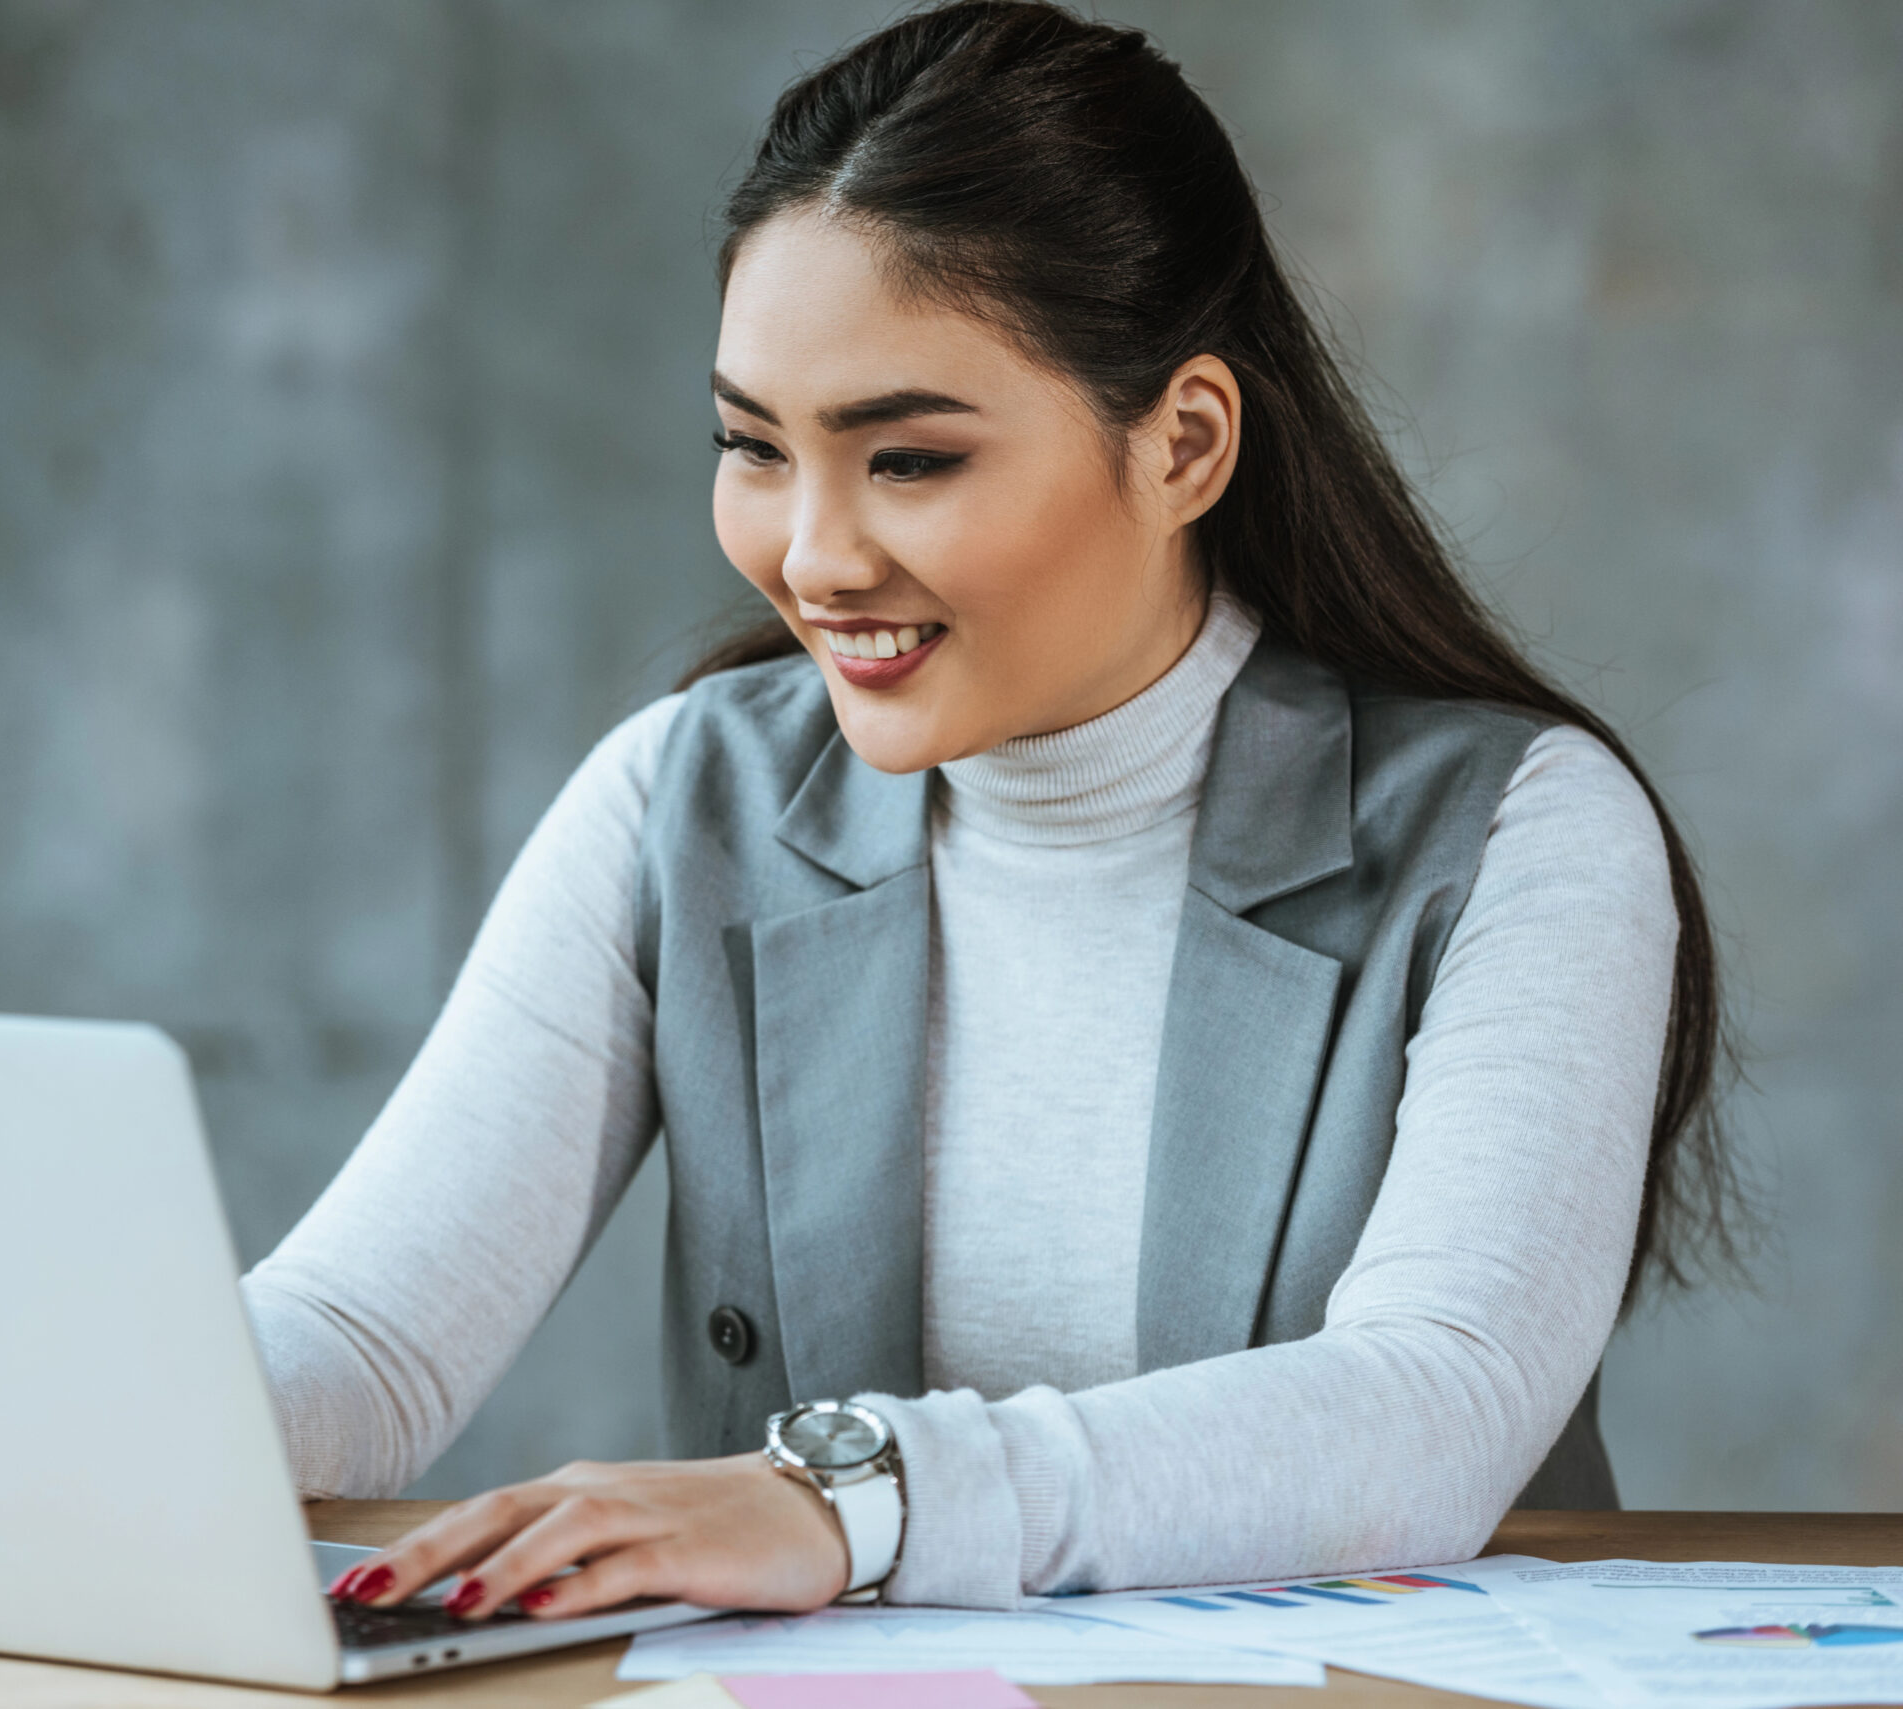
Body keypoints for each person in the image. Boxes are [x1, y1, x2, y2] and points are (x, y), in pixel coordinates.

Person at [239, 0, 1734, 1620]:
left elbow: (1429, 1406)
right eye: (753, 446)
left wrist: (846, 1497)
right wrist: (37, 1422)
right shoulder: (688, 797)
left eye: (910, 461)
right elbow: (367, 1338)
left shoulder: (1522, 832)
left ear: (1184, 444)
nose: (812, 556)